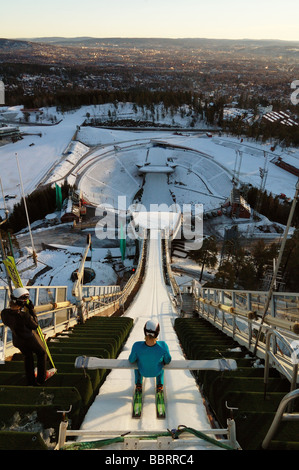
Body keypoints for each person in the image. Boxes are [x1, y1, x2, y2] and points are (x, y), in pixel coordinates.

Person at [1, 287, 47, 386]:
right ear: (21, 303)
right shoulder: (25, 316)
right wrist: (31, 310)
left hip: (17, 340)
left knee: (28, 356)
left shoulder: (4, 313)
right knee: (41, 353)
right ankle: (41, 379)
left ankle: (30, 381)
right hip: (29, 340)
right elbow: (35, 325)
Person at [128, 320, 171, 392]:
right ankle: (160, 385)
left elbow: (131, 360)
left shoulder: (136, 346)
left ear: (145, 331)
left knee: (137, 364)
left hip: (142, 371)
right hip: (157, 372)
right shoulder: (163, 346)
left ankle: (138, 384)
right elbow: (167, 360)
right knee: (161, 364)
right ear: (157, 332)